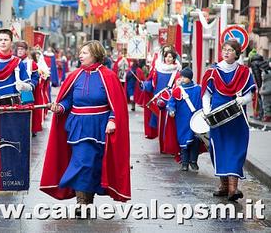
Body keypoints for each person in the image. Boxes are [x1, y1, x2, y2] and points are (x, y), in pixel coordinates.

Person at [40, 40, 130, 212]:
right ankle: (81, 202)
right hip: (78, 125)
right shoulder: (74, 76)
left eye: (85, 53)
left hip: (100, 126)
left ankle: (88, 201)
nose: (80, 55)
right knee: (82, 161)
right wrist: (59, 107)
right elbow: (68, 100)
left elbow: (117, 105)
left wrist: (113, 120)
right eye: (80, 52)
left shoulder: (109, 76)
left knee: (94, 164)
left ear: (95, 54)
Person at [201, 39, 256, 201]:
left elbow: (250, 94)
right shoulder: (212, 72)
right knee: (218, 149)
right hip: (217, 119)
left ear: (237, 53)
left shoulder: (244, 72)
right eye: (224, 49)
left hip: (237, 118)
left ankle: (233, 188)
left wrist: (242, 100)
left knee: (236, 150)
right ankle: (224, 185)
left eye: (230, 50)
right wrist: (206, 111)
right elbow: (206, 94)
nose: (226, 52)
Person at [142, 49, 181, 154]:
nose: (168, 59)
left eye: (170, 57)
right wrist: (146, 85)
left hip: (169, 101)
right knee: (160, 124)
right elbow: (152, 83)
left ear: (174, 59)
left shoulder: (177, 72)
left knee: (168, 125)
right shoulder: (157, 69)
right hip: (157, 100)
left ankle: (169, 146)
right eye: (166, 56)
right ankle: (162, 146)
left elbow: (177, 87)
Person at [167, 68, 202, 171]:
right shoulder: (178, 90)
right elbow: (171, 102)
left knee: (196, 141)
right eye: (181, 76)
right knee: (184, 142)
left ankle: (193, 161)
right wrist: (171, 110)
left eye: (184, 77)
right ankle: (185, 163)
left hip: (196, 120)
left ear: (190, 78)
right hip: (182, 121)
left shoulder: (198, 89)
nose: (182, 79)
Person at [15, 41, 42, 136]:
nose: (19, 51)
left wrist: (30, 86)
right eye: (18, 49)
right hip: (15, 91)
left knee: (27, 109)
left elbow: (35, 77)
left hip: (27, 91)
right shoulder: (13, 61)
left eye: (22, 49)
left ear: (26, 51)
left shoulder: (31, 64)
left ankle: (30, 128)